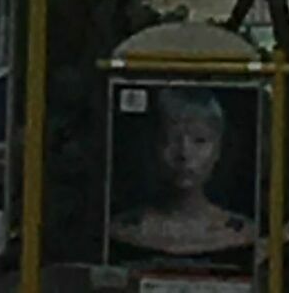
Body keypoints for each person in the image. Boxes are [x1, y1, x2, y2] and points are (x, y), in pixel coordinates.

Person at [110, 88, 256, 258]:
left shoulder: (240, 231)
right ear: (153, 146)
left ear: (218, 150)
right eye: (170, 139)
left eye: (199, 141)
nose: (184, 154)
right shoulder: (125, 229)